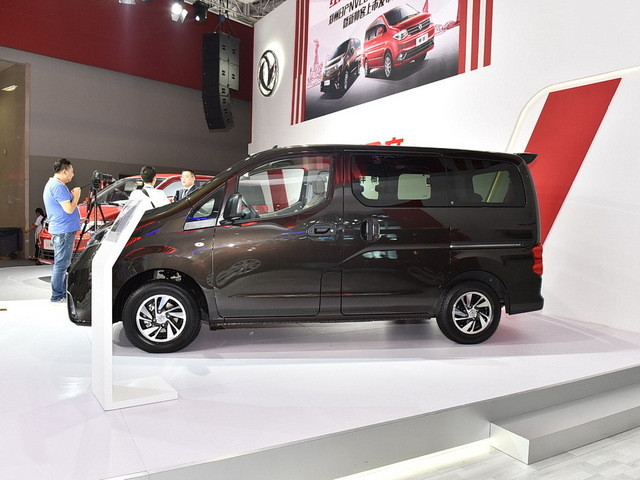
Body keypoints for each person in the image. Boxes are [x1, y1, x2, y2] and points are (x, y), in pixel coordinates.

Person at [43, 159, 81, 303]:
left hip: (63, 229)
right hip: (64, 230)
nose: (73, 174)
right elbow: (69, 209)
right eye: (71, 172)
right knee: (61, 264)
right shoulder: (58, 187)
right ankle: (57, 295)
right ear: (64, 171)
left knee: (62, 263)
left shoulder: (54, 185)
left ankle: (61, 293)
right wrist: (76, 196)